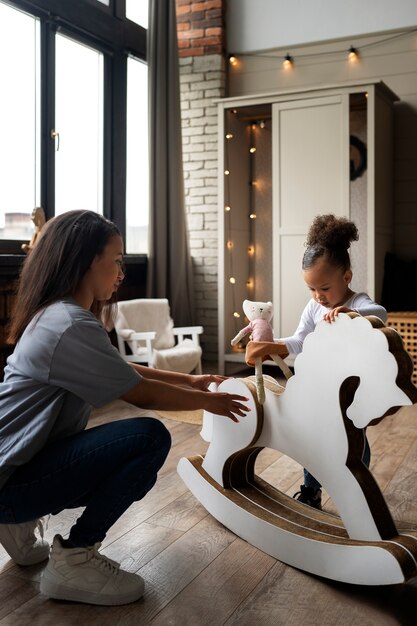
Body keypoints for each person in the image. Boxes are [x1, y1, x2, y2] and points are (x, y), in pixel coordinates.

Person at [0, 210, 249, 606]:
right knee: (147, 440)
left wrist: (191, 381)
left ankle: (16, 521)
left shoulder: (58, 316)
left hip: (13, 468)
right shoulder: (69, 323)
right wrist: (209, 402)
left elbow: (121, 369)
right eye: (115, 260)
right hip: (9, 482)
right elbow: (140, 393)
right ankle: (74, 557)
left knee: (138, 463)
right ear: (84, 261)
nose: (121, 272)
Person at [275, 214, 387, 509]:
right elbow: (298, 340)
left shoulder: (357, 302)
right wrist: (273, 345)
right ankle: (311, 490)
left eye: (324, 288)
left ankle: (357, 486)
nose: (318, 296)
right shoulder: (313, 307)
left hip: (351, 389)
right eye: (312, 289)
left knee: (352, 439)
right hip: (320, 387)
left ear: (346, 277)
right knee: (314, 438)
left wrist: (350, 315)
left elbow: (380, 314)